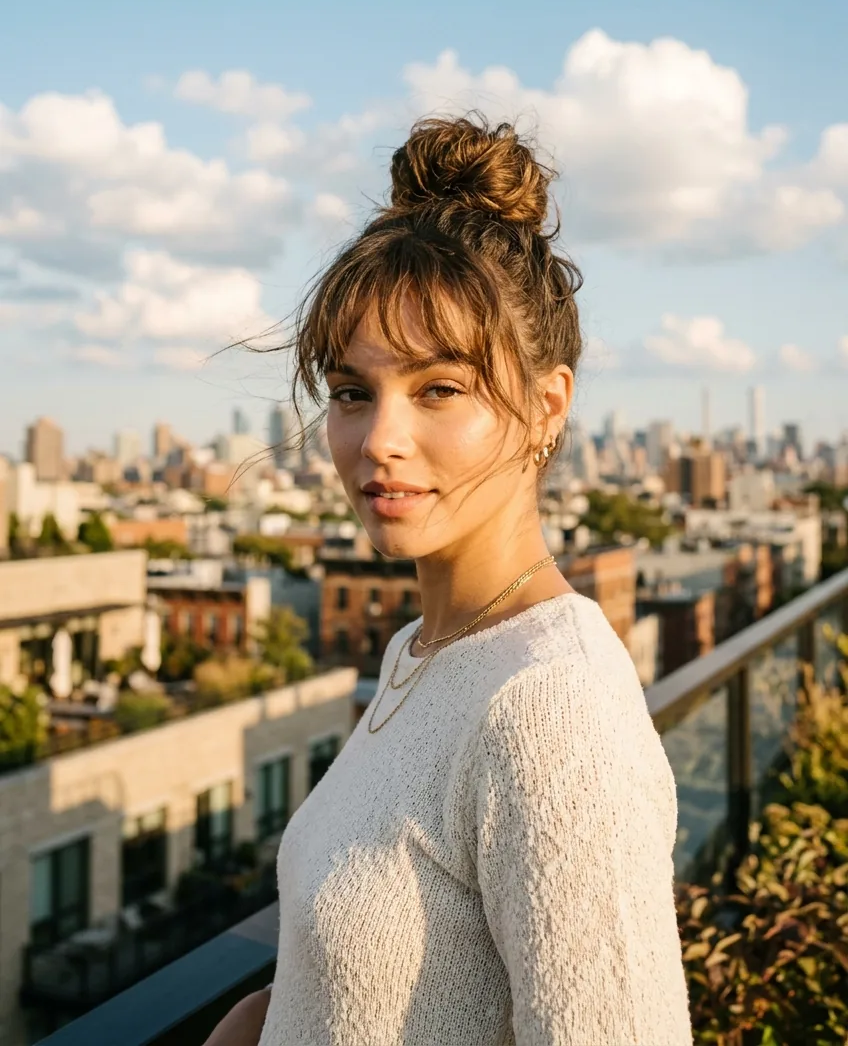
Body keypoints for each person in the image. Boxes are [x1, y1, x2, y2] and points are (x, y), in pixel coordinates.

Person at [207, 113, 693, 1045]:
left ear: (548, 406)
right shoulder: (421, 652)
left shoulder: (551, 707)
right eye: (353, 392)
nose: (379, 439)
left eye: (439, 389)